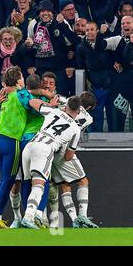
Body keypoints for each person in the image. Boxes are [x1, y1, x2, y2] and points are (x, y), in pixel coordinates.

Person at [0, 66, 49, 228]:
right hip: (13, 141)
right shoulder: (21, 94)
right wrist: (48, 100)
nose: (23, 80)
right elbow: (33, 103)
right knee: (9, 180)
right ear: (18, 80)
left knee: (3, 180)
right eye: (21, 77)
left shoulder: (4, 95)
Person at [21, 96, 81, 229]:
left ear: (65, 107)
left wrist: (49, 104)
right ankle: (28, 217)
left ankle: (26, 215)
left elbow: (32, 102)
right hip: (44, 149)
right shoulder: (76, 129)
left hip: (30, 146)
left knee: (26, 182)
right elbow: (69, 156)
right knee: (38, 185)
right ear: (78, 112)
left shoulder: (53, 111)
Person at [48, 91, 99, 229]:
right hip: (66, 148)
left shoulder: (66, 102)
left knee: (65, 184)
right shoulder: (89, 118)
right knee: (83, 181)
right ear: (89, 108)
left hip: (51, 146)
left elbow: (56, 104)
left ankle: (74, 219)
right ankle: (82, 215)